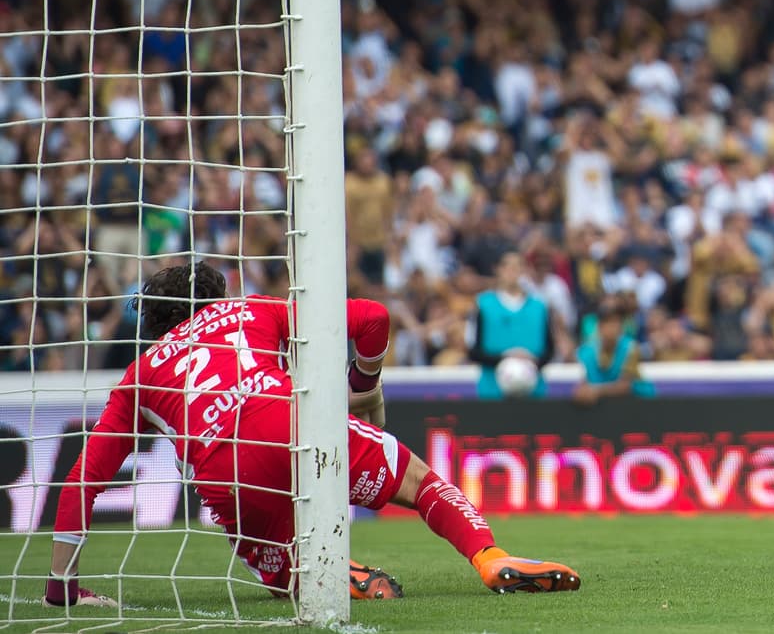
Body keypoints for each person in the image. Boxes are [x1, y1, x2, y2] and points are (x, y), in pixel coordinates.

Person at [43, 262, 579, 608]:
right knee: (419, 483)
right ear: (216, 296)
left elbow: (84, 477)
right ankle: (490, 558)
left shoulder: (138, 376)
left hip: (225, 477)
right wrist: (363, 388)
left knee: (280, 574)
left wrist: (60, 585)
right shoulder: (249, 310)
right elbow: (372, 318)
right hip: (288, 425)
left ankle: (322, 573)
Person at [469, 251, 554, 399]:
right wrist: (505, 358)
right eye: (507, 266)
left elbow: (549, 349)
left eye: (517, 266)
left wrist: (532, 361)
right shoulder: (483, 305)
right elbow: (474, 350)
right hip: (492, 392)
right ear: (498, 270)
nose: (512, 272)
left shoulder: (539, 306)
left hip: (533, 392)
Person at [572, 295, 654, 406]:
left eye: (616, 322)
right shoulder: (586, 352)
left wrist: (595, 391)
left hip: (639, 409)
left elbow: (625, 386)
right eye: (608, 322)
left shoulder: (631, 348)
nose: (613, 327)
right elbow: (581, 383)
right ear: (600, 326)